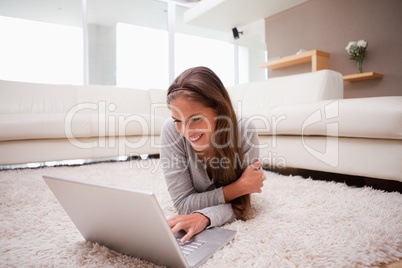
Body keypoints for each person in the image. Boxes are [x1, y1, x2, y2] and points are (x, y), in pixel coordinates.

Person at [160, 66, 265, 243]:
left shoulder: (244, 131)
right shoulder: (171, 131)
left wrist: (205, 217)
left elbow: (242, 204)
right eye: (178, 121)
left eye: (195, 119)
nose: (186, 131)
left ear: (219, 110)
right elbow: (183, 205)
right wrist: (239, 187)